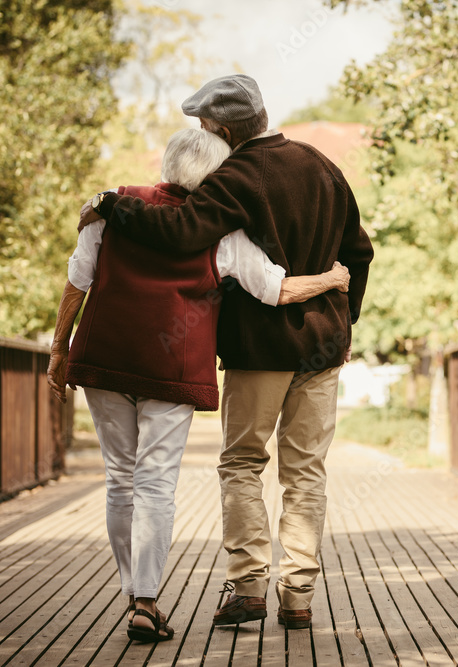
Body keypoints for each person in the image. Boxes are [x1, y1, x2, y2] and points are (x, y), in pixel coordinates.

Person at [81, 74, 373, 630]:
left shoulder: (236, 174)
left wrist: (111, 205)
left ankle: (247, 589)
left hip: (258, 347)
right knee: (306, 471)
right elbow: (359, 252)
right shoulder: (322, 165)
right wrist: (345, 321)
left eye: (203, 125)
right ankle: (299, 595)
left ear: (220, 127)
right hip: (324, 347)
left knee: (243, 464)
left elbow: (183, 230)